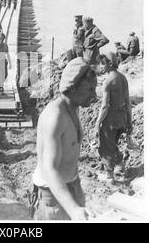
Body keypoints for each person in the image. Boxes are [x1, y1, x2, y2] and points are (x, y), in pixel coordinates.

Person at [31, 57, 97, 220]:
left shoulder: (73, 107)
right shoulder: (55, 117)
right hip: (53, 197)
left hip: (70, 188)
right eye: (90, 90)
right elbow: (49, 169)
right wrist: (74, 209)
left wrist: (77, 188)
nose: (94, 95)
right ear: (73, 88)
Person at [94, 52, 132, 183]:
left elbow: (105, 106)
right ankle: (120, 165)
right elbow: (128, 103)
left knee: (106, 146)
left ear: (110, 64)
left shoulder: (108, 81)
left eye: (103, 63)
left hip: (110, 121)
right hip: (121, 119)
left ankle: (110, 177)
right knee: (112, 143)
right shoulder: (123, 78)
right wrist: (129, 122)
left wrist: (97, 123)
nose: (101, 66)